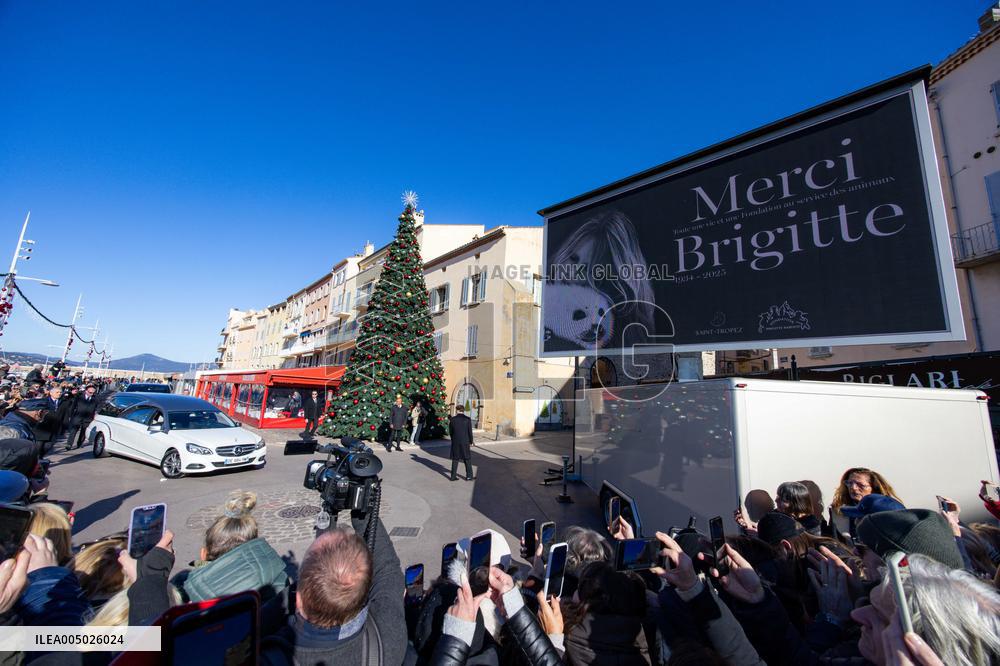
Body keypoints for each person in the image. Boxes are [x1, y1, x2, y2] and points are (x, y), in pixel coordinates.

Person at [260, 513, 407, 666]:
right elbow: (387, 571)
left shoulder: (266, 657)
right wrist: (363, 506)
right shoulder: (388, 637)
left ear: (298, 599)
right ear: (363, 594)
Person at [831, 467, 901, 536]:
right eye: (849, 483)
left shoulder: (888, 508)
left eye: (860, 485)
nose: (853, 488)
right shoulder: (839, 509)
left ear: (874, 487)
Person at [67, 384, 99, 450]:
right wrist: (71, 415)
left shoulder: (95, 399)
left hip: (88, 418)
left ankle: (79, 443)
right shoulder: (79, 397)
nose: (92, 394)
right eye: (90, 392)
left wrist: (94, 415)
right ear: (86, 391)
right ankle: (69, 444)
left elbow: (96, 408)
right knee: (74, 430)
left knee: (84, 431)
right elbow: (73, 406)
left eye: (93, 393)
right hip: (78, 416)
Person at [448, 405, 474, 481]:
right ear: (463, 410)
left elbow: (450, 432)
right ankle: (469, 476)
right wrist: (471, 441)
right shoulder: (467, 419)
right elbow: (470, 432)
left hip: (455, 442)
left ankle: (453, 477)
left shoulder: (453, 420)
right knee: (467, 459)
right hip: (465, 442)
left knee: (455, 459)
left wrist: (453, 439)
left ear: (457, 410)